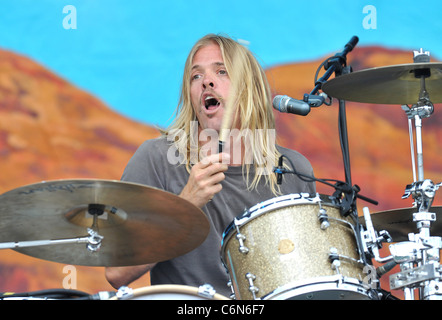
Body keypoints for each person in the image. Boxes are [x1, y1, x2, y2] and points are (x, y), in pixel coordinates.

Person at [105, 34, 316, 298]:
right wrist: (186, 204)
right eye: (196, 76)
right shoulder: (157, 159)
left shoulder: (292, 169)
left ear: (250, 88)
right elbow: (116, 271)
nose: (207, 81)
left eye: (222, 71)